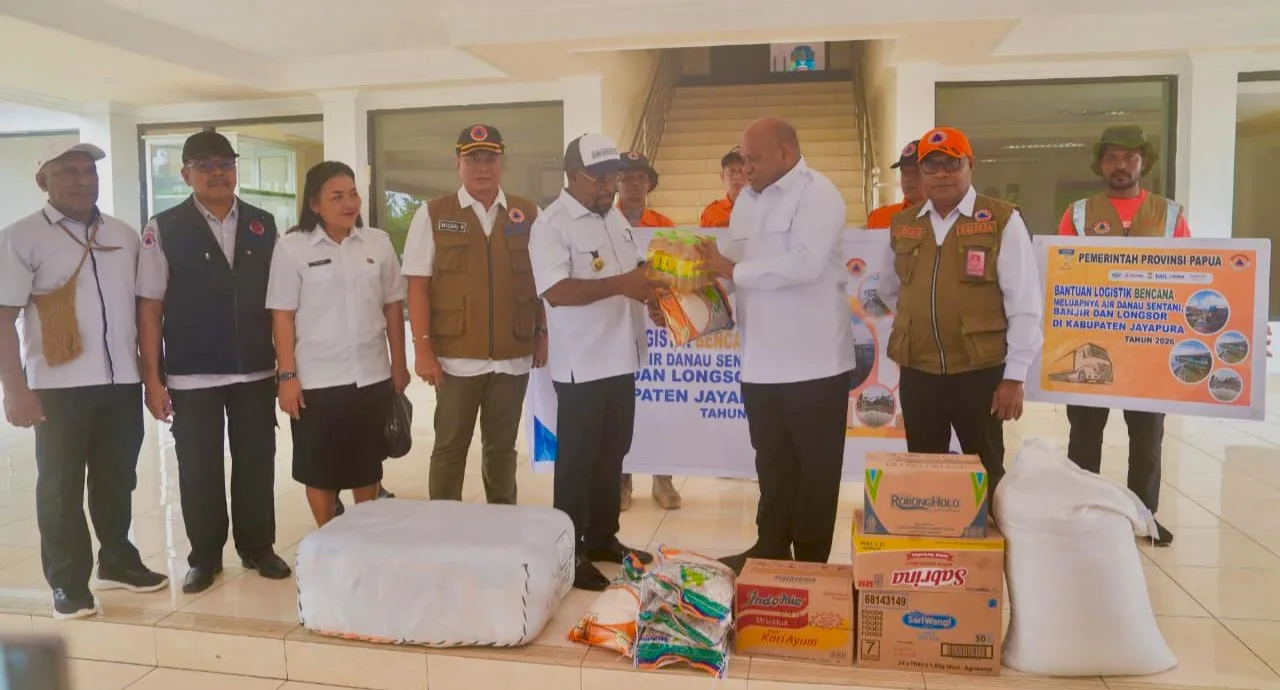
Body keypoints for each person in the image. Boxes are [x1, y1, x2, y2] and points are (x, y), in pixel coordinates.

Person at [0, 142, 166, 620]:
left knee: (117, 477)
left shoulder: (123, 235)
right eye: (68, 171)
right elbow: (3, 318)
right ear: (44, 181)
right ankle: (68, 582)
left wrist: (150, 377)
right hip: (58, 386)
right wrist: (14, 389)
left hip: (121, 381)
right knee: (60, 487)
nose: (83, 179)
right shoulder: (21, 237)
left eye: (89, 170)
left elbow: (144, 309)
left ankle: (117, 560)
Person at [137, 131, 290, 594]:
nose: (218, 173)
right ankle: (204, 557)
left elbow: (281, 304)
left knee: (256, 462)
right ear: (186, 174)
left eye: (225, 164)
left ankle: (258, 547)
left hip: (255, 368)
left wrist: (287, 368)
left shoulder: (263, 223)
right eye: (205, 166)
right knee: (199, 468)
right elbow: (150, 307)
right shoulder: (164, 227)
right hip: (192, 371)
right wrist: (152, 378)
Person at [699, 118, 855, 574]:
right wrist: (694, 289)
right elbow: (733, 267)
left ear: (787, 153)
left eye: (755, 159)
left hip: (814, 364)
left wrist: (729, 269)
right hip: (759, 363)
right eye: (742, 159)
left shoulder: (818, 194)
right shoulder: (746, 202)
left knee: (816, 471)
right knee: (772, 464)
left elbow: (805, 265)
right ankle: (768, 549)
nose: (745, 168)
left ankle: (810, 564)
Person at [877, 126, 1044, 496]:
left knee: (985, 471)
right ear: (921, 172)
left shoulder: (1000, 220)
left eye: (952, 164)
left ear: (971, 165)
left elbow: (1024, 304)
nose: (942, 174)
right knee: (924, 471)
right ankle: (933, 533)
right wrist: (920, 319)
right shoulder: (903, 225)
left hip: (979, 372)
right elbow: (889, 290)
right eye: (931, 165)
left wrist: (1014, 377)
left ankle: (989, 533)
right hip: (919, 371)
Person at [528, 133, 657, 591]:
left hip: (623, 358)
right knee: (577, 462)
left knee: (612, 453)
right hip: (581, 365)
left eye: (612, 177)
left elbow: (635, 274)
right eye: (599, 177)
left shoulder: (614, 217)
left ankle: (603, 538)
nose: (608, 186)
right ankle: (570, 553)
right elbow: (556, 292)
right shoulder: (552, 225)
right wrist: (622, 285)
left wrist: (656, 296)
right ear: (572, 176)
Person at [401, 124, 547, 505]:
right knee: (450, 448)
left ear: (503, 162)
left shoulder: (529, 214)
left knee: (502, 451)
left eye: (490, 159)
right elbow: (417, 286)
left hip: (512, 356)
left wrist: (541, 334)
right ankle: (445, 525)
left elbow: (543, 281)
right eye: (473, 159)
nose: (483, 167)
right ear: (458, 164)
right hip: (455, 360)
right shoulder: (434, 214)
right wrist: (422, 350)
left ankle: (501, 523)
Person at [1057, 125, 1187, 546]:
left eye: (1130, 157)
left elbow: (1192, 271)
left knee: (1147, 439)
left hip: (1150, 347)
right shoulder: (1078, 214)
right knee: (1084, 434)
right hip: (1090, 341)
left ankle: (1144, 516)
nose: (1121, 165)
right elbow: (1060, 272)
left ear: (1143, 162)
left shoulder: (1169, 214)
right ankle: (1083, 513)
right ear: (1100, 163)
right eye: (1112, 157)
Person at [267, 162, 409, 527]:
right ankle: (329, 537)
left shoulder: (377, 242)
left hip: (371, 374)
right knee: (320, 470)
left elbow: (393, 307)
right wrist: (286, 376)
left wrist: (399, 364)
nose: (349, 204)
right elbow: (282, 315)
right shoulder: (292, 247)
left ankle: (363, 536)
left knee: (367, 465)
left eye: (353, 194)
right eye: (337, 197)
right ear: (315, 204)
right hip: (316, 380)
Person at [615, 150, 682, 511]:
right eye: (627, 177)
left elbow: (673, 273)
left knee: (660, 403)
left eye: (641, 178)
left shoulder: (664, 225)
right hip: (620, 320)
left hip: (657, 324)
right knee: (622, 404)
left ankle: (663, 478)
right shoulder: (606, 221)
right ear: (617, 183)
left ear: (649, 185)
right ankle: (622, 480)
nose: (634, 184)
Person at [866, 140, 924, 229]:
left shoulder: (945, 218)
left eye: (915, 172)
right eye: (904, 172)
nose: (908, 179)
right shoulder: (880, 217)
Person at [698, 147, 747, 228]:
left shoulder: (761, 210)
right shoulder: (711, 213)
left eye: (742, 171)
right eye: (731, 171)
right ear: (722, 176)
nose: (737, 177)